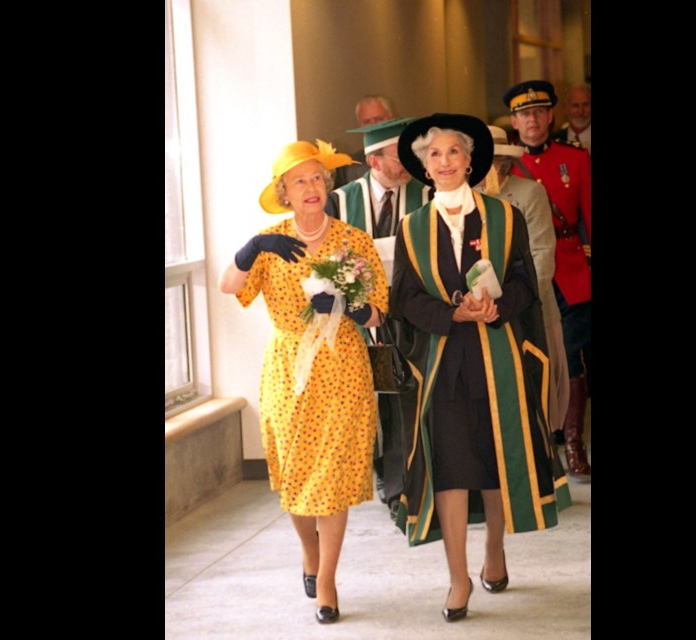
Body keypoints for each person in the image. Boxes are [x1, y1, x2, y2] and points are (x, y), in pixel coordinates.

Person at [391, 113, 571, 623]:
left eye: (453, 152)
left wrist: (497, 307)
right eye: (434, 155)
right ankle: (456, 578)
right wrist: (451, 312)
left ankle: (495, 551)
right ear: (424, 168)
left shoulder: (504, 216)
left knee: (494, 467)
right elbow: (404, 297)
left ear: (471, 162)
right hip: (445, 366)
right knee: (450, 470)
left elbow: (523, 283)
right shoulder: (412, 228)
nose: (444, 162)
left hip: (498, 360)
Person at [218, 139, 389, 625]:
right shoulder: (269, 242)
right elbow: (230, 287)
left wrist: (356, 308)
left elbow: (380, 311)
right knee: (294, 475)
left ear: (327, 186)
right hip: (288, 371)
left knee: (333, 476)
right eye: (300, 181)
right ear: (285, 192)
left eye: (318, 178)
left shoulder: (353, 241)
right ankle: (308, 550)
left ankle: (329, 581)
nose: (312, 187)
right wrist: (250, 249)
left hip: (342, 368)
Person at [325, 118, 432, 521]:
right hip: (357, 320)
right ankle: (382, 478)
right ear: (374, 160)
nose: (408, 162)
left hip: (411, 315)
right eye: (398, 155)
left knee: (407, 400)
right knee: (372, 404)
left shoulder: (427, 194)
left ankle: (403, 490)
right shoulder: (340, 201)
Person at [504, 80, 592, 480]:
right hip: (525, 273)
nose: (533, 120)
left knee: (571, 357)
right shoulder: (507, 166)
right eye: (524, 113)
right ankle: (546, 439)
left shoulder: (575, 160)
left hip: (571, 272)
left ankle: (573, 443)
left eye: (539, 112)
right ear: (514, 121)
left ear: (551, 116)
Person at [474, 125, 570, 445]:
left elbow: (543, 254)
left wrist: (517, 303)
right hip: (481, 315)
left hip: (530, 310)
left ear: (504, 162)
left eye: (494, 162)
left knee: (533, 396)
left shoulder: (529, 193)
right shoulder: (466, 198)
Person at [332, 95, 396, 188]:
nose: (373, 126)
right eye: (367, 122)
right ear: (360, 127)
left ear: (391, 119)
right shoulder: (350, 166)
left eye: (379, 120)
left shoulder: (412, 154)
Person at [551, 83, 591, 154]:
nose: (580, 111)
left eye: (585, 105)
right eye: (575, 105)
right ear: (565, 107)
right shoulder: (553, 140)